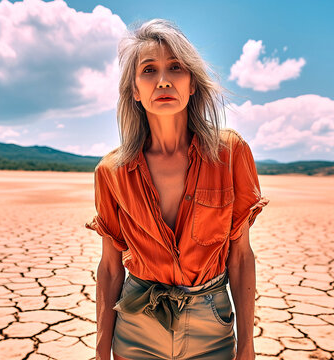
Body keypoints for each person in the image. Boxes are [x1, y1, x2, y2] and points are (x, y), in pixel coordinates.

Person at [85, 19, 269, 360]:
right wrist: (100, 351)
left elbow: (241, 256)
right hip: (137, 325)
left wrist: (247, 346)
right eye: (149, 70)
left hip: (210, 326)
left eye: (176, 67)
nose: (164, 80)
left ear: (192, 84)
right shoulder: (112, 172)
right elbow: (111, 267)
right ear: (135, 92)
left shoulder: (230, 154)